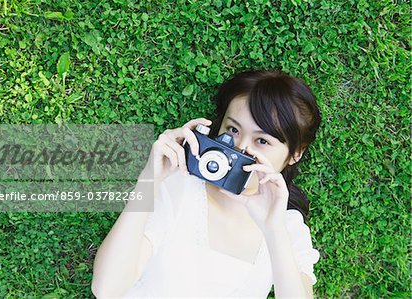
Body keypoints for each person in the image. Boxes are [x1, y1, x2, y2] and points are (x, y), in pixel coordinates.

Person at [91, 70, 322, 298]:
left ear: (295, 154)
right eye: (233, 130)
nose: (240, 149)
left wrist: (273, 230)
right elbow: (107, 289)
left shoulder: (287, 228)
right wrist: (148, 181)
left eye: (262, 140)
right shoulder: (180, 187)